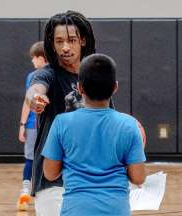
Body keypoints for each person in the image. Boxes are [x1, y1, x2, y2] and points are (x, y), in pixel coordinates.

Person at [41, 53, 146, 215]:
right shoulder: (130, 125)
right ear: (115, 87)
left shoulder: (61, 122)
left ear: (80, 87)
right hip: (116, 210)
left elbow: (49, 173)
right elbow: (138, 178)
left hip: (75, 210)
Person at [24, 11, 96, 215]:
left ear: (82, 40)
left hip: (91, 179)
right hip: (53, 181)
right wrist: (34, 99)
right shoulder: (47, 74)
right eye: (59, 41)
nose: (65, 47)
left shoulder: (95, 77)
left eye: (71, 40)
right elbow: (35, 89)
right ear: (52, 44)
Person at [17, 41, 47, 211]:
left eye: (34, 59)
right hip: (49, 124)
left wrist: (22, 124)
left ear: (41, 59)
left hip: (34, 124)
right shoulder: (57, 74)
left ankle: (25, 193)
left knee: (30, 158)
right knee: (49, 158)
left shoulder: (34, 76)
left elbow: (27, 103)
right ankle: (43, 192)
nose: (32, 62)